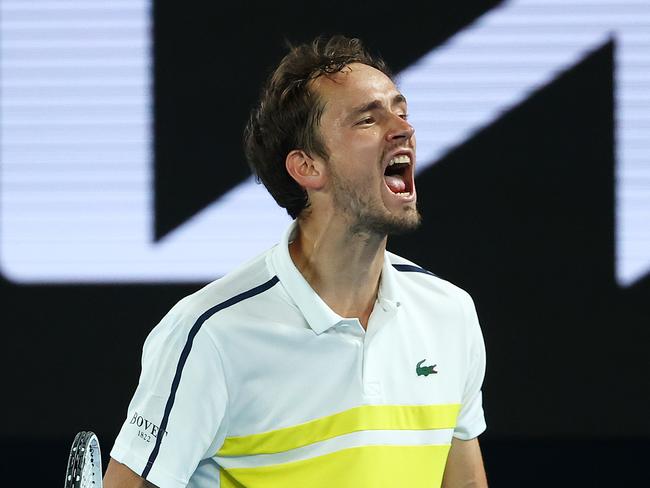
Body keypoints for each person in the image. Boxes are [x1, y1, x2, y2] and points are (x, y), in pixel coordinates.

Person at [104, 35, 488, 488]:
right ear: (307, 167)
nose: (403, 129)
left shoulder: (449, 313)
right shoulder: (211, 336)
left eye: (401, 112)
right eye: (368, 119)